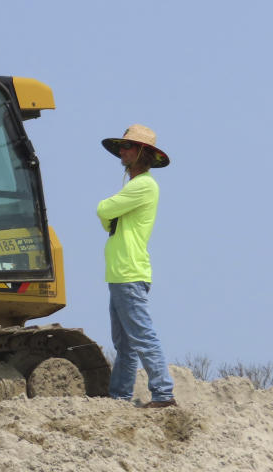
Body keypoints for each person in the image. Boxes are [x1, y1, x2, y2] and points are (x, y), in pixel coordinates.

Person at [97, 124, 176, 409]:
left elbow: (104, 211)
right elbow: (108, 217)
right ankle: (119, 396)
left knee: (141, 336)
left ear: (142, 152)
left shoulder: (143, 185)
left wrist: (109, 209)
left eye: (127, 146)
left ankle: (164, 393)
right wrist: (110, 211)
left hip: (128, 272)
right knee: (126, 343)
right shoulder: (134, 187)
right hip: (121, 273)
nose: (122, 150)